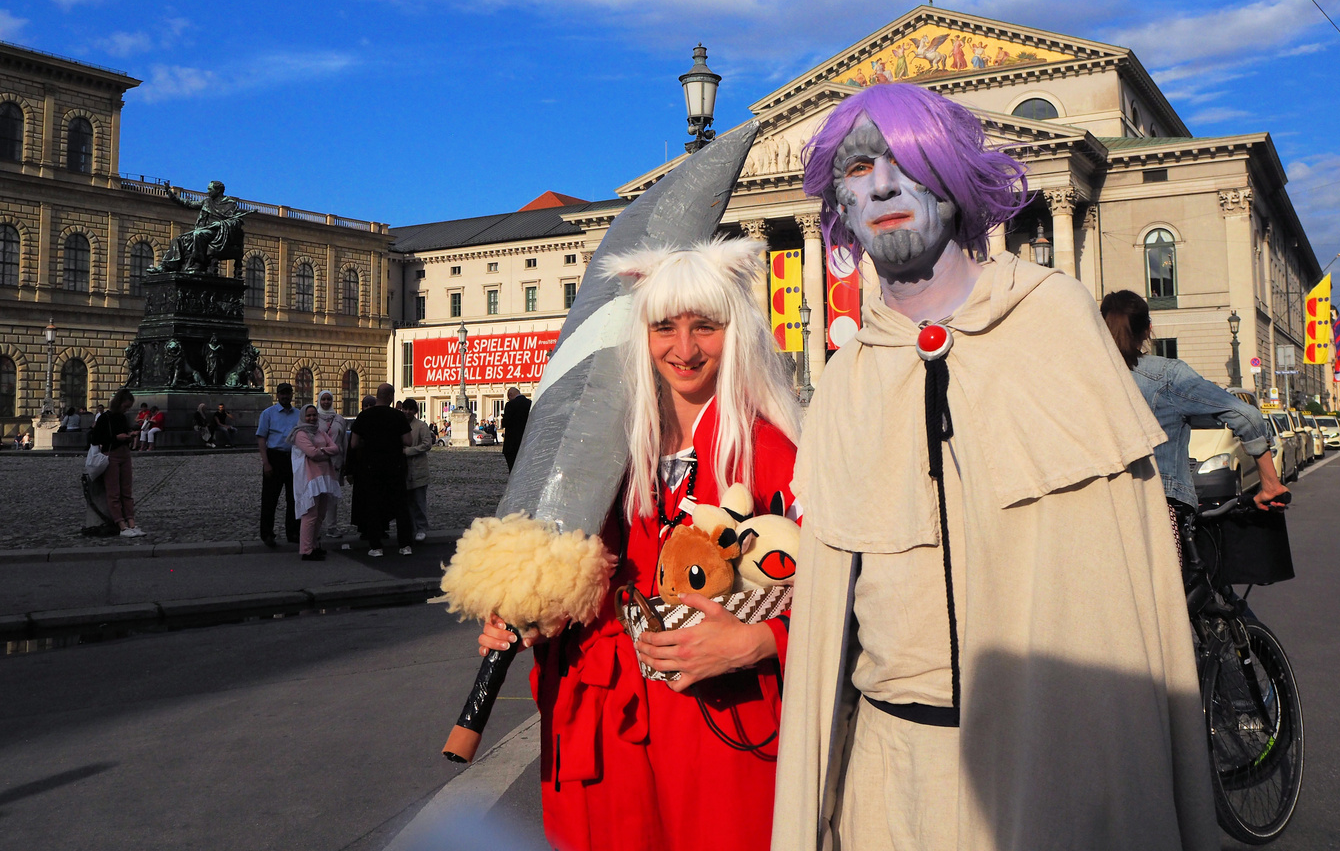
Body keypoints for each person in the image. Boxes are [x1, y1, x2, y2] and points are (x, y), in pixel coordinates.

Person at [773, 84, 1213, 851]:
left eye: (905, 161)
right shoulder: (845, 376)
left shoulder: (1055, 317)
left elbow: (1130, 577)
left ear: (951, 176)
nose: (881, 185)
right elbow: (825, 626)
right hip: (895, 786)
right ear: (839, 204)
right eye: (858, 168)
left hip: (1060, 772)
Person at [476, 239, 801, 851]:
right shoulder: (610, 449)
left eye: (705, 327)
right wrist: (534, 615)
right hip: (610, 718)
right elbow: (581, 574)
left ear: (738, 332)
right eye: (665, 328)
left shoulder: (773, 452)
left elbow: (838, 593)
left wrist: (757, 641)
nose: (685, 349)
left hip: (719, 719)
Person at [1101, 289, 1289, 562]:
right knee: (1177, 598)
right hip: (1159, 509)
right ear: (1148, 330)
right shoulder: (1166, 375)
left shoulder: (1075, 375)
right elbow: (1246, 415)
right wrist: (1270, 484)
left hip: (1095, 510)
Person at [348, 383, 414, 557]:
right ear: (391, 396)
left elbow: (353, 443)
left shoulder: (364, 416)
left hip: (371, 467)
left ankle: (375, 546)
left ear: (377, 396)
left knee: (373, 506)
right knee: (401, 507)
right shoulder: (397, 416)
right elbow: (408, 440)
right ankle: (405, 545)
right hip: (394, 465)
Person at [290, 404, 342, 561]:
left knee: (320, 514)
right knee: (310, 514)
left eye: (314, 415)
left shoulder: (319, 432)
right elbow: (311, 452)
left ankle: (313, 545)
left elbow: (336, 448)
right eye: (309, 415)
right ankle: (306, 550)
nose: (312, 418)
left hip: (324, 476)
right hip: (310, 477)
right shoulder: (300, 434)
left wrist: (321, 452)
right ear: (303, 417)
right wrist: (325, 451)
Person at [91, 389, 144, 538]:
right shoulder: (104, 418)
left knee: (127, 491)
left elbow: (124, 433)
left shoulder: (122, 418)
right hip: (111, 455)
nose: (126, 409)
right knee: (113, 492)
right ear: (119, 403)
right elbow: (96, 439)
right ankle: (122, 525)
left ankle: (132, 524)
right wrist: (116, 438)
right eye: (125, 406)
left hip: (124, 454)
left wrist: (129, 436)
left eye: (128, 407)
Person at [256, 382, 301, 547]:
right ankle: (267, 534)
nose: (285, 396)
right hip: (274, 458)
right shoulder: (268, 414)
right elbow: (261, 438)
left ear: (292, 395)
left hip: (293, 459)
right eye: (282, 393)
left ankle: (293, 532)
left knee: (294, 498)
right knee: (269, 499)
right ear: (277, 395)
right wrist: (266, 462)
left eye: (288, 393)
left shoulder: (299, 414)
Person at [315, 390, 349, 538]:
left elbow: (344, 442)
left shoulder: (339, 419)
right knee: (317, 495)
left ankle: (331, 526)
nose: (326, 402)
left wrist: (346, 462)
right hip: (318, 461)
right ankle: (315, 527)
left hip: (335, 463)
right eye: (324, 399)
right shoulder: (313, 418)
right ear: (319, 400)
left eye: (329, 399)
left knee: (332, 497)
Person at [401, 398, 433, 541]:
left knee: (419, 502)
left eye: (410, 409)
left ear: (415, 411)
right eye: (405, 409)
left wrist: (411, 451)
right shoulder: (400, 424)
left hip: (419, 469)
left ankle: (421, 528)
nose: (407, 412)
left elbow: (427, 444)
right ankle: (410, 528)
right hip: (404, 469)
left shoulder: (421, 426)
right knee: (407, 503)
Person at [501, 386, 531, 469]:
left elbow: (506, 422)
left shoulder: (510, 405)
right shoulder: (530, 403)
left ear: (510, 395)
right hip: (526, 441)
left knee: (512, 468)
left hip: (512, 443)